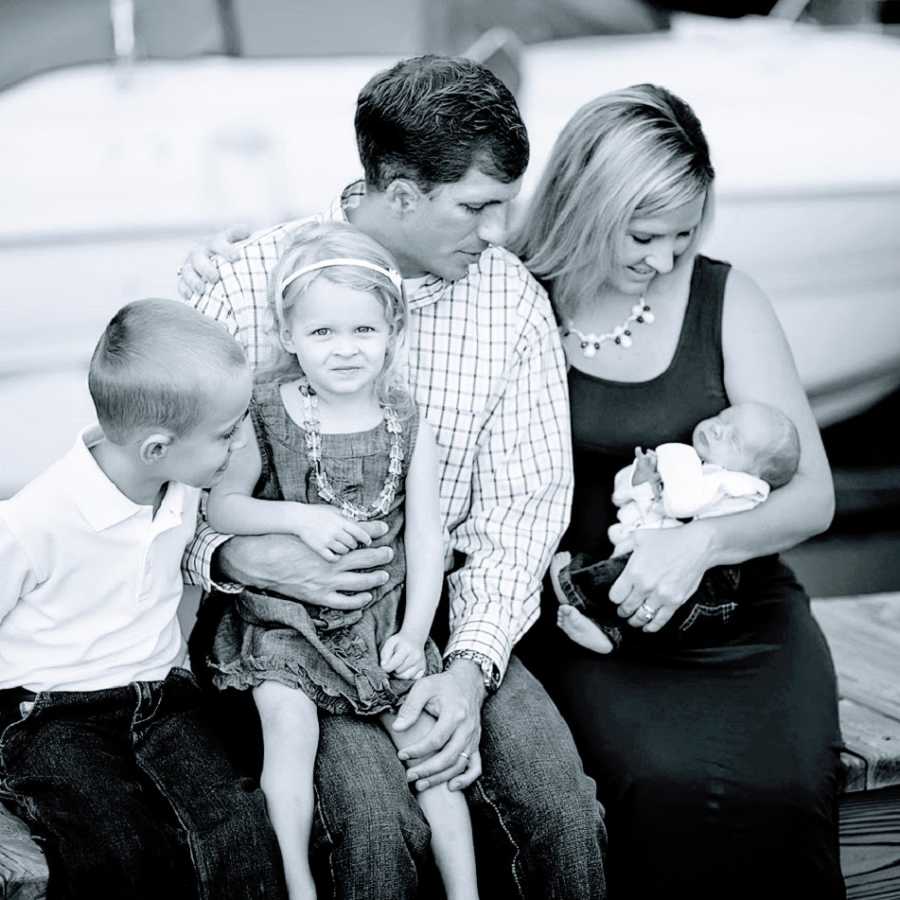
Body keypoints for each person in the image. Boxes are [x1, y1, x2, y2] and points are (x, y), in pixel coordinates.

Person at [177, 55, 606, 900]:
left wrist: (471, 667)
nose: (495, 232)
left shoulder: (510, 300)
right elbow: (161, 488)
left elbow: (524, 509)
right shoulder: (246, 283)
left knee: (562, 809)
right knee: (373, 821)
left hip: (435, 614)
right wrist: (231, 558)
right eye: (478, 207)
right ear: (401, 192)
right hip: (286, 629)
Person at [512, 84, 845, 898]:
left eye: (685, 233)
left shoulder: (726, 298)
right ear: (588, 205)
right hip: (592, 626)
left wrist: (700, 541)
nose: (666, 259)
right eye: (644, 234)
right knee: (658, 785)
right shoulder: (512, 297)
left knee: (787, 789)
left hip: (742, 618)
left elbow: (814, 498)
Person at [204, 221, 479, 900]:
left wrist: (416, 633)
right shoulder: (267, 412)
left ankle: (466, 889)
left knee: (427, 746)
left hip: (381, 619)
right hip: (285, 620)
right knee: (288, 732)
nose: (345, 349)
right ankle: (296, 881)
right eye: (323, 333)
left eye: (363, 331)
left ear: (393, 333)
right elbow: (224, 508)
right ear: (290, 336)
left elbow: (426, 537)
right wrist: (301, 517)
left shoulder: (407, 419)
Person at [0, 299, 287, 900]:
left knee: (237, 837)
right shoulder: (34, 522)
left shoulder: (179, 488)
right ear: (157, 447)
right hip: (56, 713)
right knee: (120, 851)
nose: (239, 447)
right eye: (226, 432)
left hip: (162, 699)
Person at [551, 400, 801, 652]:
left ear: (753, 474)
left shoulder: (739, 488)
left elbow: (683, 503)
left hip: (715, 583)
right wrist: (645, 478)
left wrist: (674, 456)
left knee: (649, 594)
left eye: (734, 440)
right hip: (663, 557)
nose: (718, 429)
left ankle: (574, 587)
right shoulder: (704, 474)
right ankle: (605, 631)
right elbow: (632, 499)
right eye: (723, 418)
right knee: (634, 585)